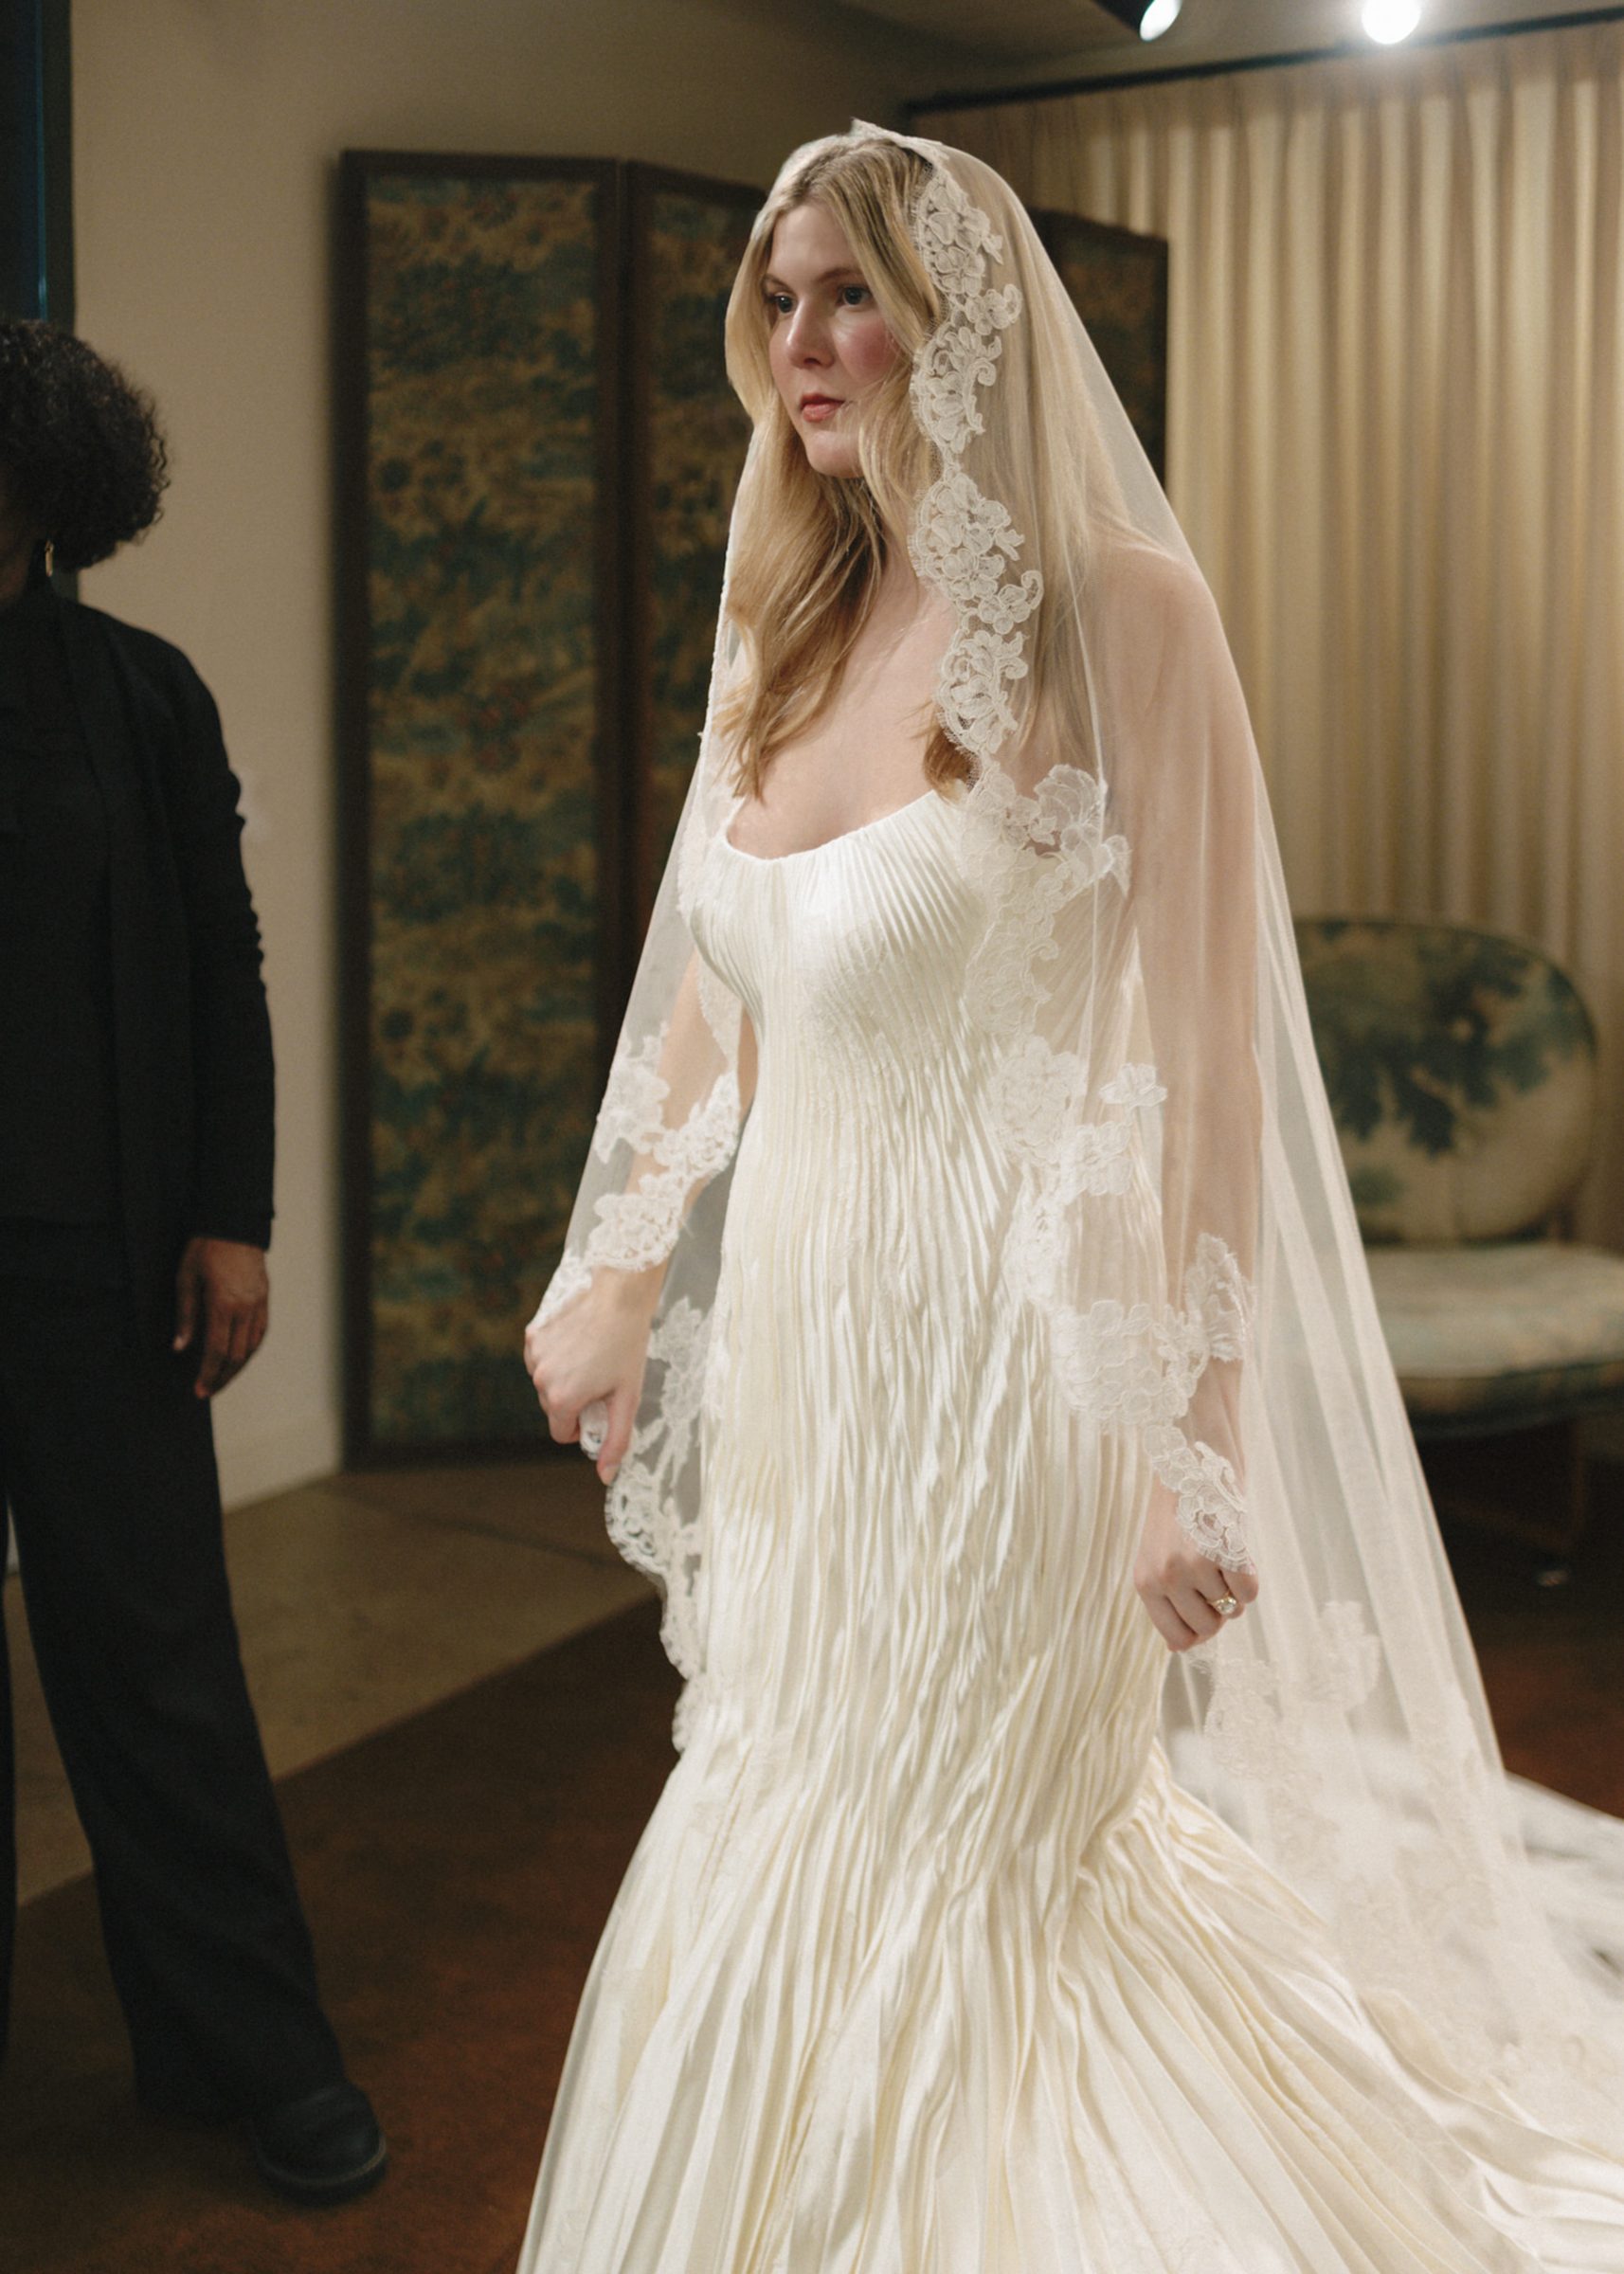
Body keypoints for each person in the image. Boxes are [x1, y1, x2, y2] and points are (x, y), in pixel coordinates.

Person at [520, 124, 1624, 2269]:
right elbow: (710, 997)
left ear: (962, 323)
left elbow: (1199, 1055)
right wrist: (619, 1272)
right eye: (777, 296)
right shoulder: (784, 615)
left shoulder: (1122, 613)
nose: (805, 343)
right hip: (815, 1382)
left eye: (851, 294)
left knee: (986, 1859)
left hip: (1021, 1375)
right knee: (786, 1813)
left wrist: (1186, 1445)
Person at [0, 318, 386, 2206]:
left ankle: (245, 2052)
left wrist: (233, 1212)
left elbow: (222, 968)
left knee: (156, 1674)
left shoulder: (142, 695)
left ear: (45, 492)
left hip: (101, 1268)